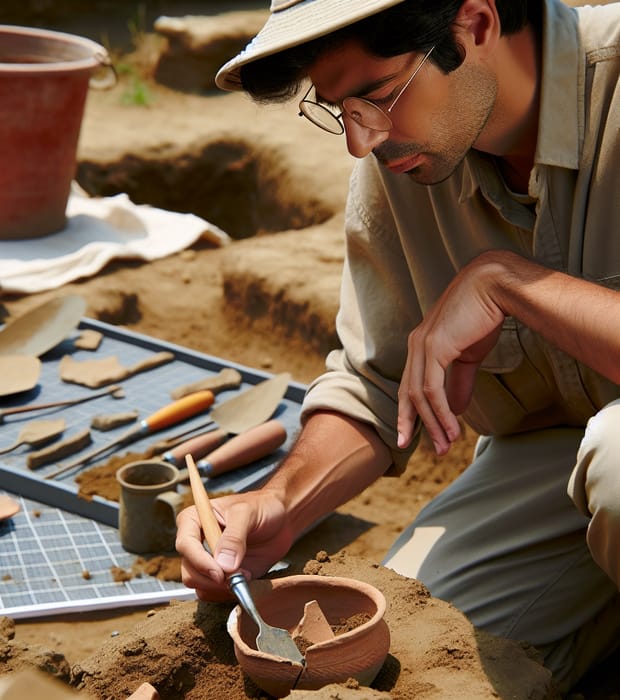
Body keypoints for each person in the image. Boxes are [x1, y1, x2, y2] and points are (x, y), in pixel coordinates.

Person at [175, 0, 620, 691]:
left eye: (378, 97)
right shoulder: (409, 153)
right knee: (413, 640)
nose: (361, 141)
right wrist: (280, 505)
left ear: (476, 24)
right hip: (554, 464)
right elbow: (375, 384)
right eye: (339, 111)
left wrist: (511, 282)